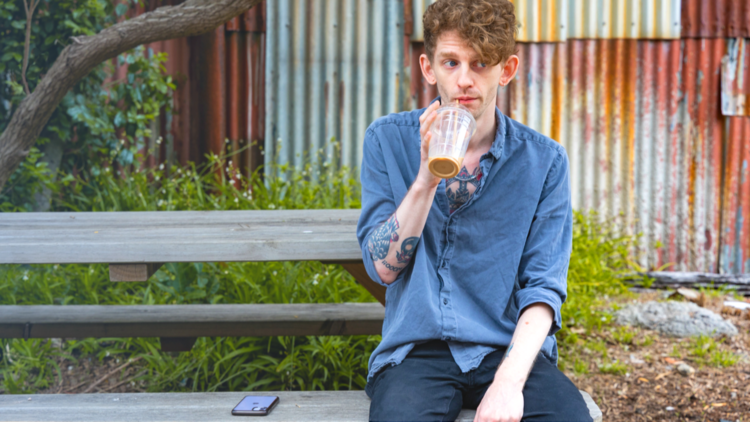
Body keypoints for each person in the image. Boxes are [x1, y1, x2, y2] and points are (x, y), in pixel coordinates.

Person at [355, 0, 593, 421]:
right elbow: (382, 269)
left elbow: (543, 289)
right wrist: (427, 177)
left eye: (481, 63)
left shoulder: (544, 162)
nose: (464, 80)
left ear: (507, 69)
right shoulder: (387, 140)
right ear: (429, 68)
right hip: (418, 352)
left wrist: (507, 384)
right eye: (451, 62)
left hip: (508, 350)